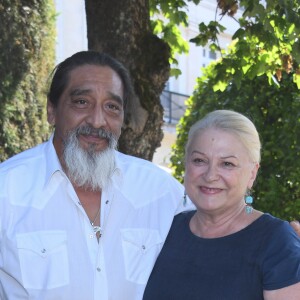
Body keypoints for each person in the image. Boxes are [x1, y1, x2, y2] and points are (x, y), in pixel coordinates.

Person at [0, 51, 194, 300]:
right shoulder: (7, 191)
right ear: (52, 111)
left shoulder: (162, 193)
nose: (98, 120)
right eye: (82, 102)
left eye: (112, 107)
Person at [143, 110, 300, 300]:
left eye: (227, 164)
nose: (210, 176)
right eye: (199, 160)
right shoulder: (166, 229)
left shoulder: (277, 241)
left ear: (252, 173)